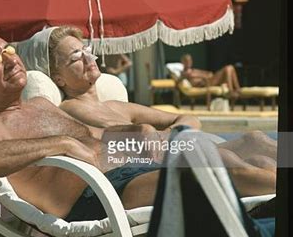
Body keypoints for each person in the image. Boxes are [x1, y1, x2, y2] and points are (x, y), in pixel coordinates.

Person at [0, 32, 275, 225]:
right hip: (98, 196)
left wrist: (156, 138)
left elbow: (98, 142)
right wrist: (60, 143)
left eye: (9, 50)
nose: (10, 59)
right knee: (225, 170)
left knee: (252, 145)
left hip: (130, 167)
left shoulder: (42, 106)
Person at [19, 26, 277, 174]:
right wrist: (152, 132)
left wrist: (173, 132)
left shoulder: (116, 106)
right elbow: (108, 142)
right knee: (256, 149)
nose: (89, 59)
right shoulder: (69, 110)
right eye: (76, 58)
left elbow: (187, 117)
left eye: (87, 50)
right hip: (167, 160)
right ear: (58, 79)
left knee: (260, 140)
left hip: (180, 146)